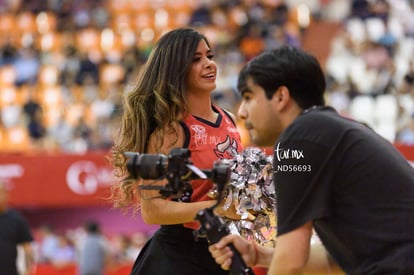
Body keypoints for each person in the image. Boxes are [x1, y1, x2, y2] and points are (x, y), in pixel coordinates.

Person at [208, 45, 414, 274]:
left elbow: (291, 263)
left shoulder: (298, 139)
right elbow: (335, 262)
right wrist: (260, 255)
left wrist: (281, 260)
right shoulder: (328, 131)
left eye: (248, 97)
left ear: (280, 97)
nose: (242, 112)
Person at [111, 28, 243, 274]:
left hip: (223, 251)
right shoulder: (170, 131)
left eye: (209, 56)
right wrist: (217, 208)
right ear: (176, 69)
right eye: (196, 59)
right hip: (178, 257)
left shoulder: (231, 120)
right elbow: (152, 211)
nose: (208, 64)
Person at [0, 180, 35, 275]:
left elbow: (27, 248)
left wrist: (28, 270)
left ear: (6, 194)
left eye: (1, 192)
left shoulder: (16, 220)